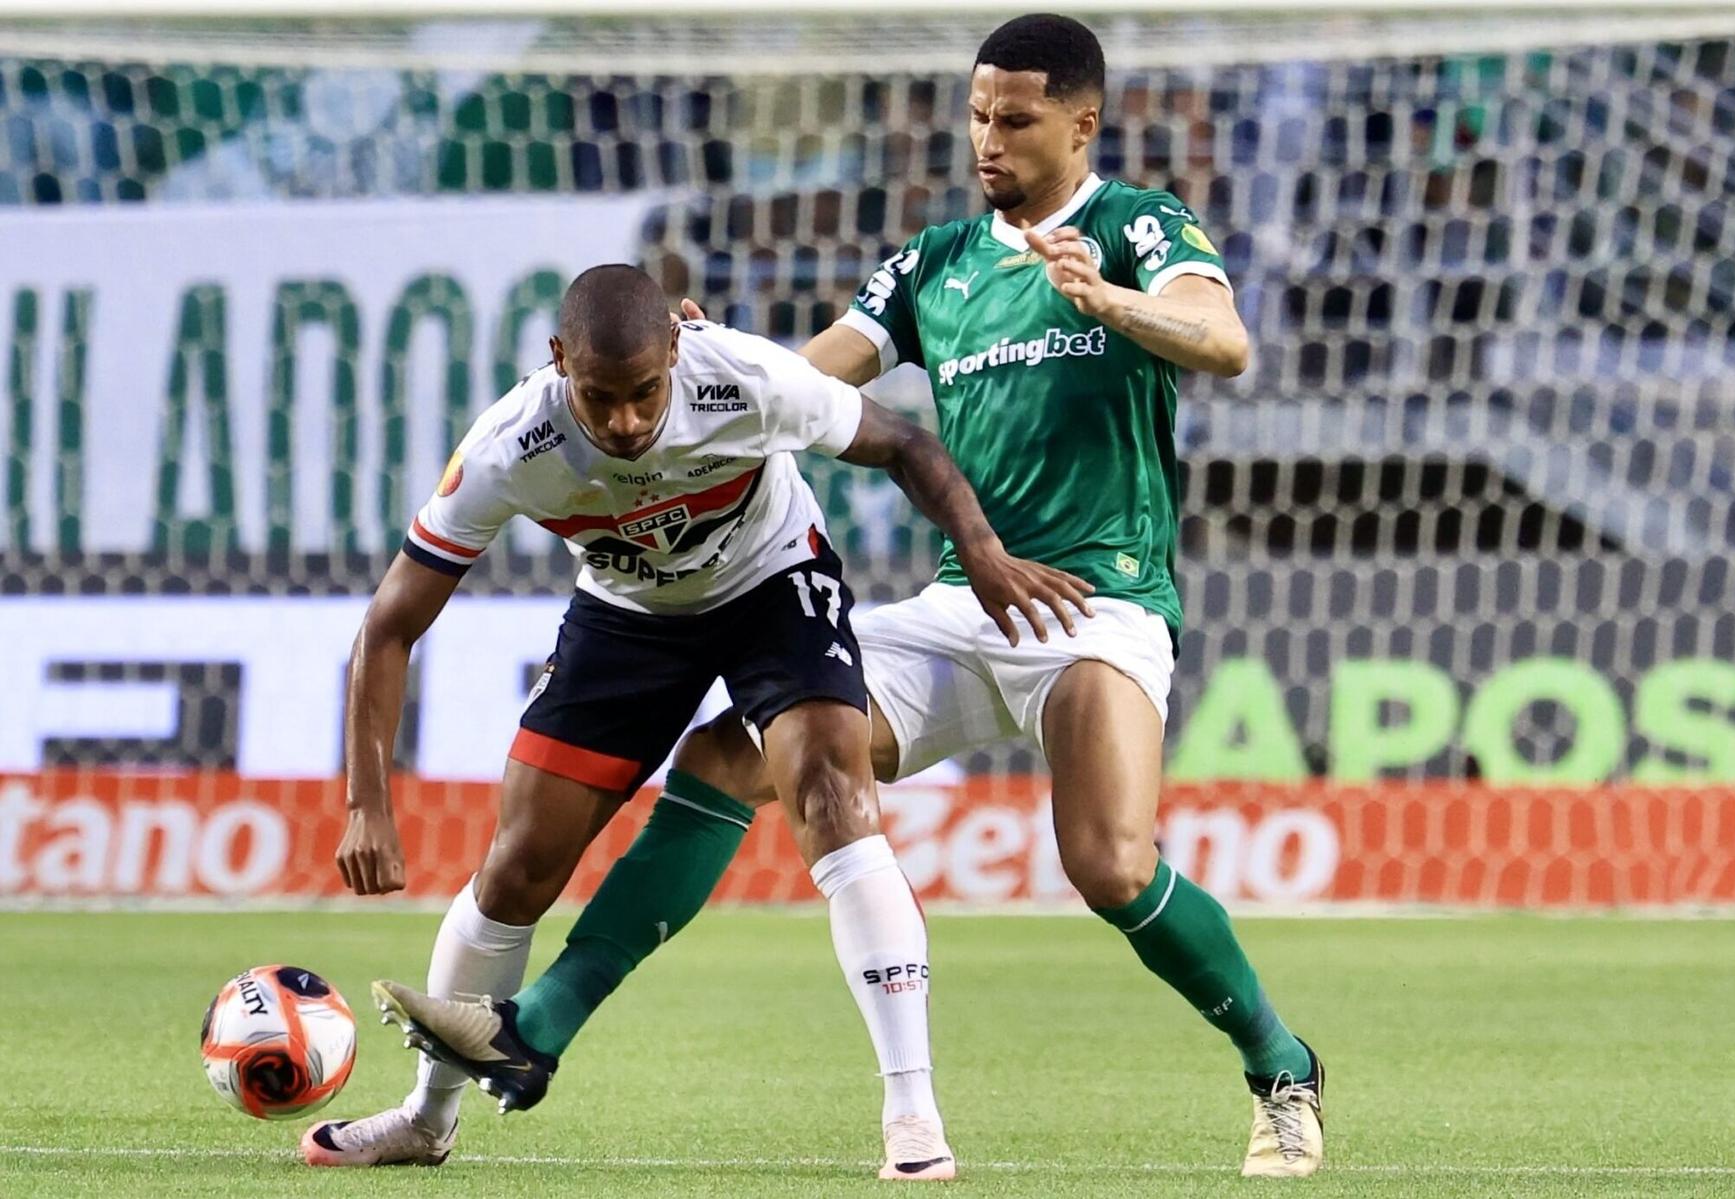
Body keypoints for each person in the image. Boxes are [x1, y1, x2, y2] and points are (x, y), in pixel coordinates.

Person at [388, 13, 1328, 1179]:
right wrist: (703, 354)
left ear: (1083, 123)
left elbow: (1224, 340)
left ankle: (1282, 1067)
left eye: (1017, 118)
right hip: (958, 604)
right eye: (979, 114)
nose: (989, 138)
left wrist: (1114, 304)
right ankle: (537, 1032)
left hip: (1099, 601)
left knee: (1108, 864)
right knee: (736, 753)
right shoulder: (936, 263)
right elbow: (811, 373)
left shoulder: (1133, 226)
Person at [300, 263, 1090, 1179]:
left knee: (833, 791)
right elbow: (389, 625)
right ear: (559, 363)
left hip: (772, 585)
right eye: (601, 398)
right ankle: (426, 1118)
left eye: (645, 393)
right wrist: (367, 802)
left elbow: (907, 444)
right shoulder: (512, 446)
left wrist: (982, 553)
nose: (629, 422)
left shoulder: (745, 378)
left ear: (677, 348)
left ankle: (914, 1118)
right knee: (518, 865)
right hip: (628, 618)